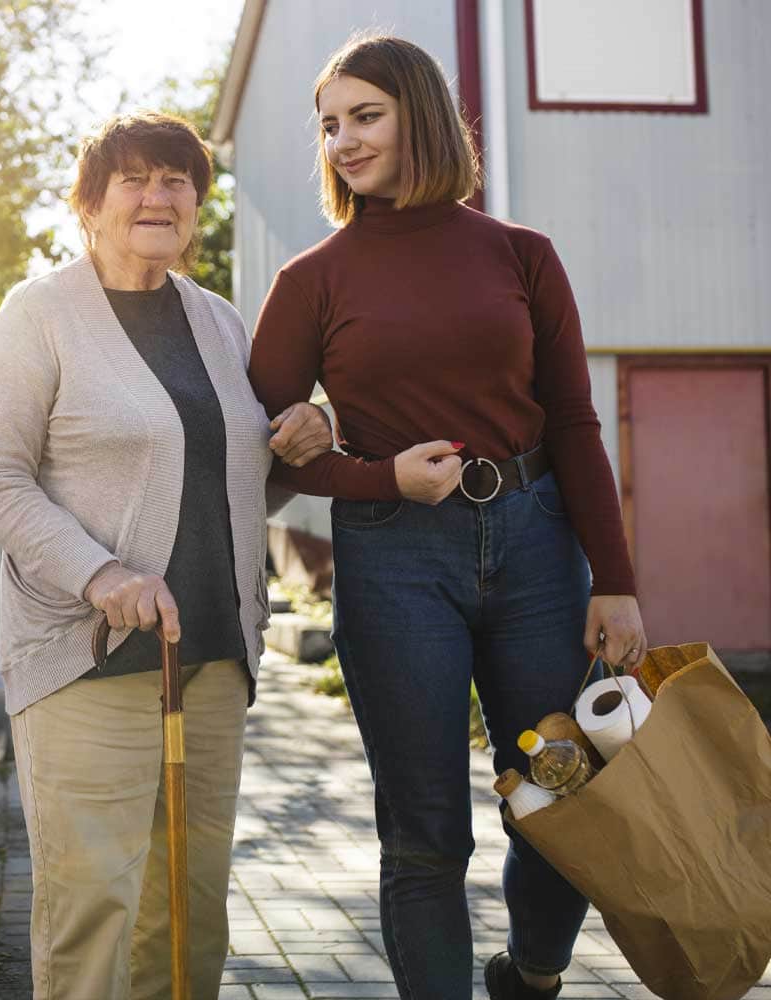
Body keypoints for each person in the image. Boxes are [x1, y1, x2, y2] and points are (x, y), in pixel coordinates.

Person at [248, 36, 647, 1000]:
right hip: (394, 567)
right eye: (330, 124)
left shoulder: (523, 256)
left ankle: (534, 977)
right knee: (424, 832)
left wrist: (619, 580)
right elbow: (259, 452)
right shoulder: (313, 279)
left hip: (539, 551)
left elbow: (578, 423)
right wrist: (376, 474)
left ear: (419, 113)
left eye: (365, 116)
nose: (342, 140)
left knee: (559, 803)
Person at [0, 111, 331, 1000]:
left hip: (210, 662)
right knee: (95, 913)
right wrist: (103, 572)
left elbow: (235, 482)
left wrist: (313, 431)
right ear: (90, 204)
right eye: (133, 179)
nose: (158, 196)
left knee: (192, 915)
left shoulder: (219, 322)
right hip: (88, 662)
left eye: (177, 180)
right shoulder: (39, 313)